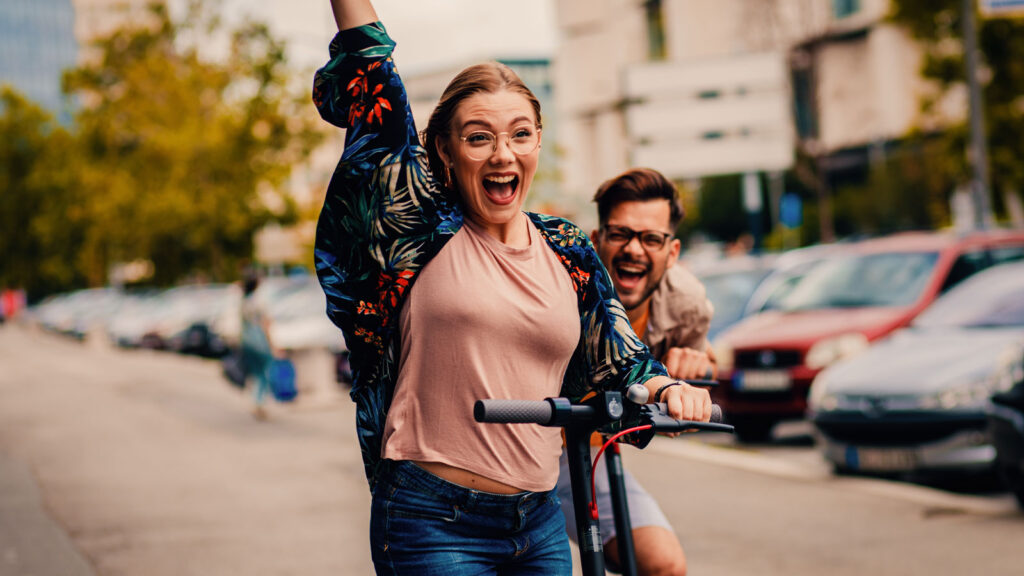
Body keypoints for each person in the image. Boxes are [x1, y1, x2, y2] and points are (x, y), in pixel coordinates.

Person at [312, 1, 712, 574]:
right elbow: (376, 82)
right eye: (479, 138)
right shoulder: (417, 227)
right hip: (432, 518)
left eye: (520, 134)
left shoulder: (567, 246)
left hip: (539, 520)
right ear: (445, 151)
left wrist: (665, 388)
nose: (503, 153)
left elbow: (618, 355)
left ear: (538, 143)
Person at [555, 168, 716, 576]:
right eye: (621, 234)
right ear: (596, 240)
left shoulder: (686, 304)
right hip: (516, 451)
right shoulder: (561, 288)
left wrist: (694, 372)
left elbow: (698, 381)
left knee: (663, 564)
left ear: (673, 251)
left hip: (591, 452)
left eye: (651, 238)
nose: (634, 250)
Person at [240, 273, 276, 421]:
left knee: (255, 373)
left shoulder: (244, 302)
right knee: (263, 373)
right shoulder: (259, 302)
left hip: (247, 340)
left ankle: (255, 400)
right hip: (259, 341)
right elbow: (266, 323)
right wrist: (272, 343)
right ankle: (259, 402)